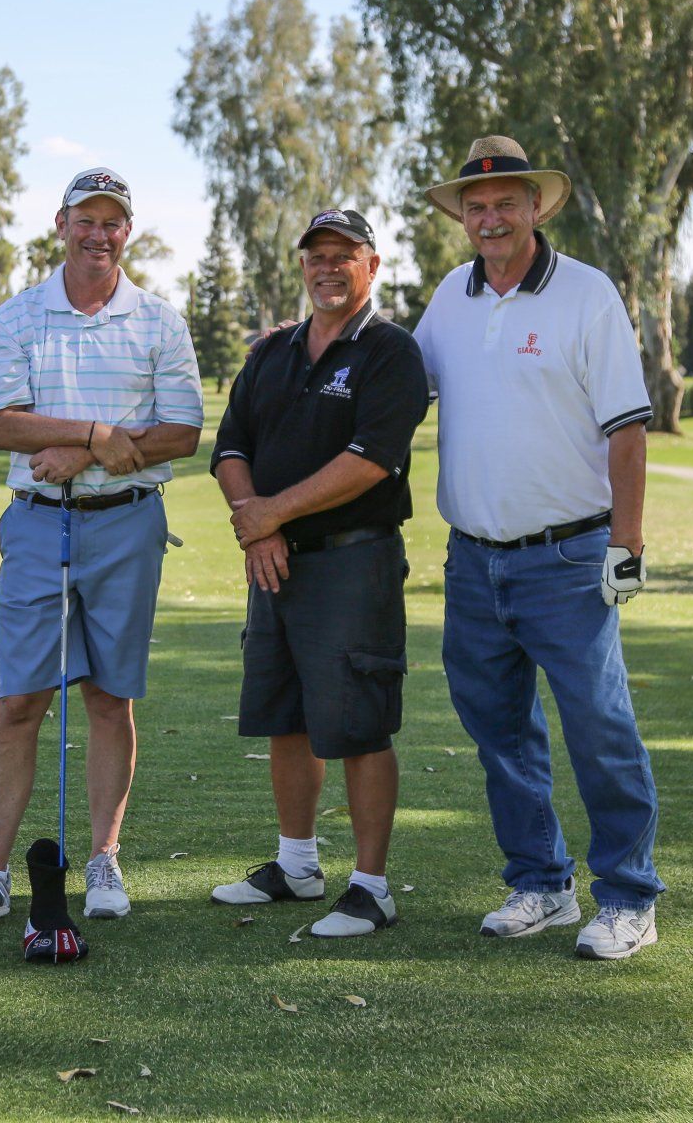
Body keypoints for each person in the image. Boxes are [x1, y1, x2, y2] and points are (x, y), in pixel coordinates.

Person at [414, 135, 663, 958]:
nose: (490, 219)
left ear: (535, 207)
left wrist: (627, 544)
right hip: (472, 560)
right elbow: (401, 385)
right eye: (476, 207)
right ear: (463, 217)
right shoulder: (450, 297)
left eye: (505, 204)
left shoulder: (588, 294)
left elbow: (628, 430)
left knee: (600, 730)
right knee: (500, 734)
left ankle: (629, 897)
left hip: (568, 559)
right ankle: (542, 883)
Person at [0, 166, 203, 935]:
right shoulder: (18, 316)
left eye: (111, 221)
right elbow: (3, 423)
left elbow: (182, 433)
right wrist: (94, 433)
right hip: (37, 524)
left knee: (109, 698)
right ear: (60, 225)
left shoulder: (159, 321)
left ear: (128, 231)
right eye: (84, 219)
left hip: (128, 523)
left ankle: (103, 859)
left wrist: (83, 454)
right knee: (19, 700)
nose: (98, 234)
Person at [208, 208, 428, 938]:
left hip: (353, 560)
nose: (327, 268)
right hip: (275, 562)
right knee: (287, 717)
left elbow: (371, 460)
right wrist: (258, 524)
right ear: (302, 266)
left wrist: (269, 515)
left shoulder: (390, 351)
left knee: (359, 722)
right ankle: (297, 866)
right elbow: (230, 446)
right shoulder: (274, 350)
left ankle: (371, 888)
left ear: (372, 265)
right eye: (316, 256)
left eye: (344, 255)